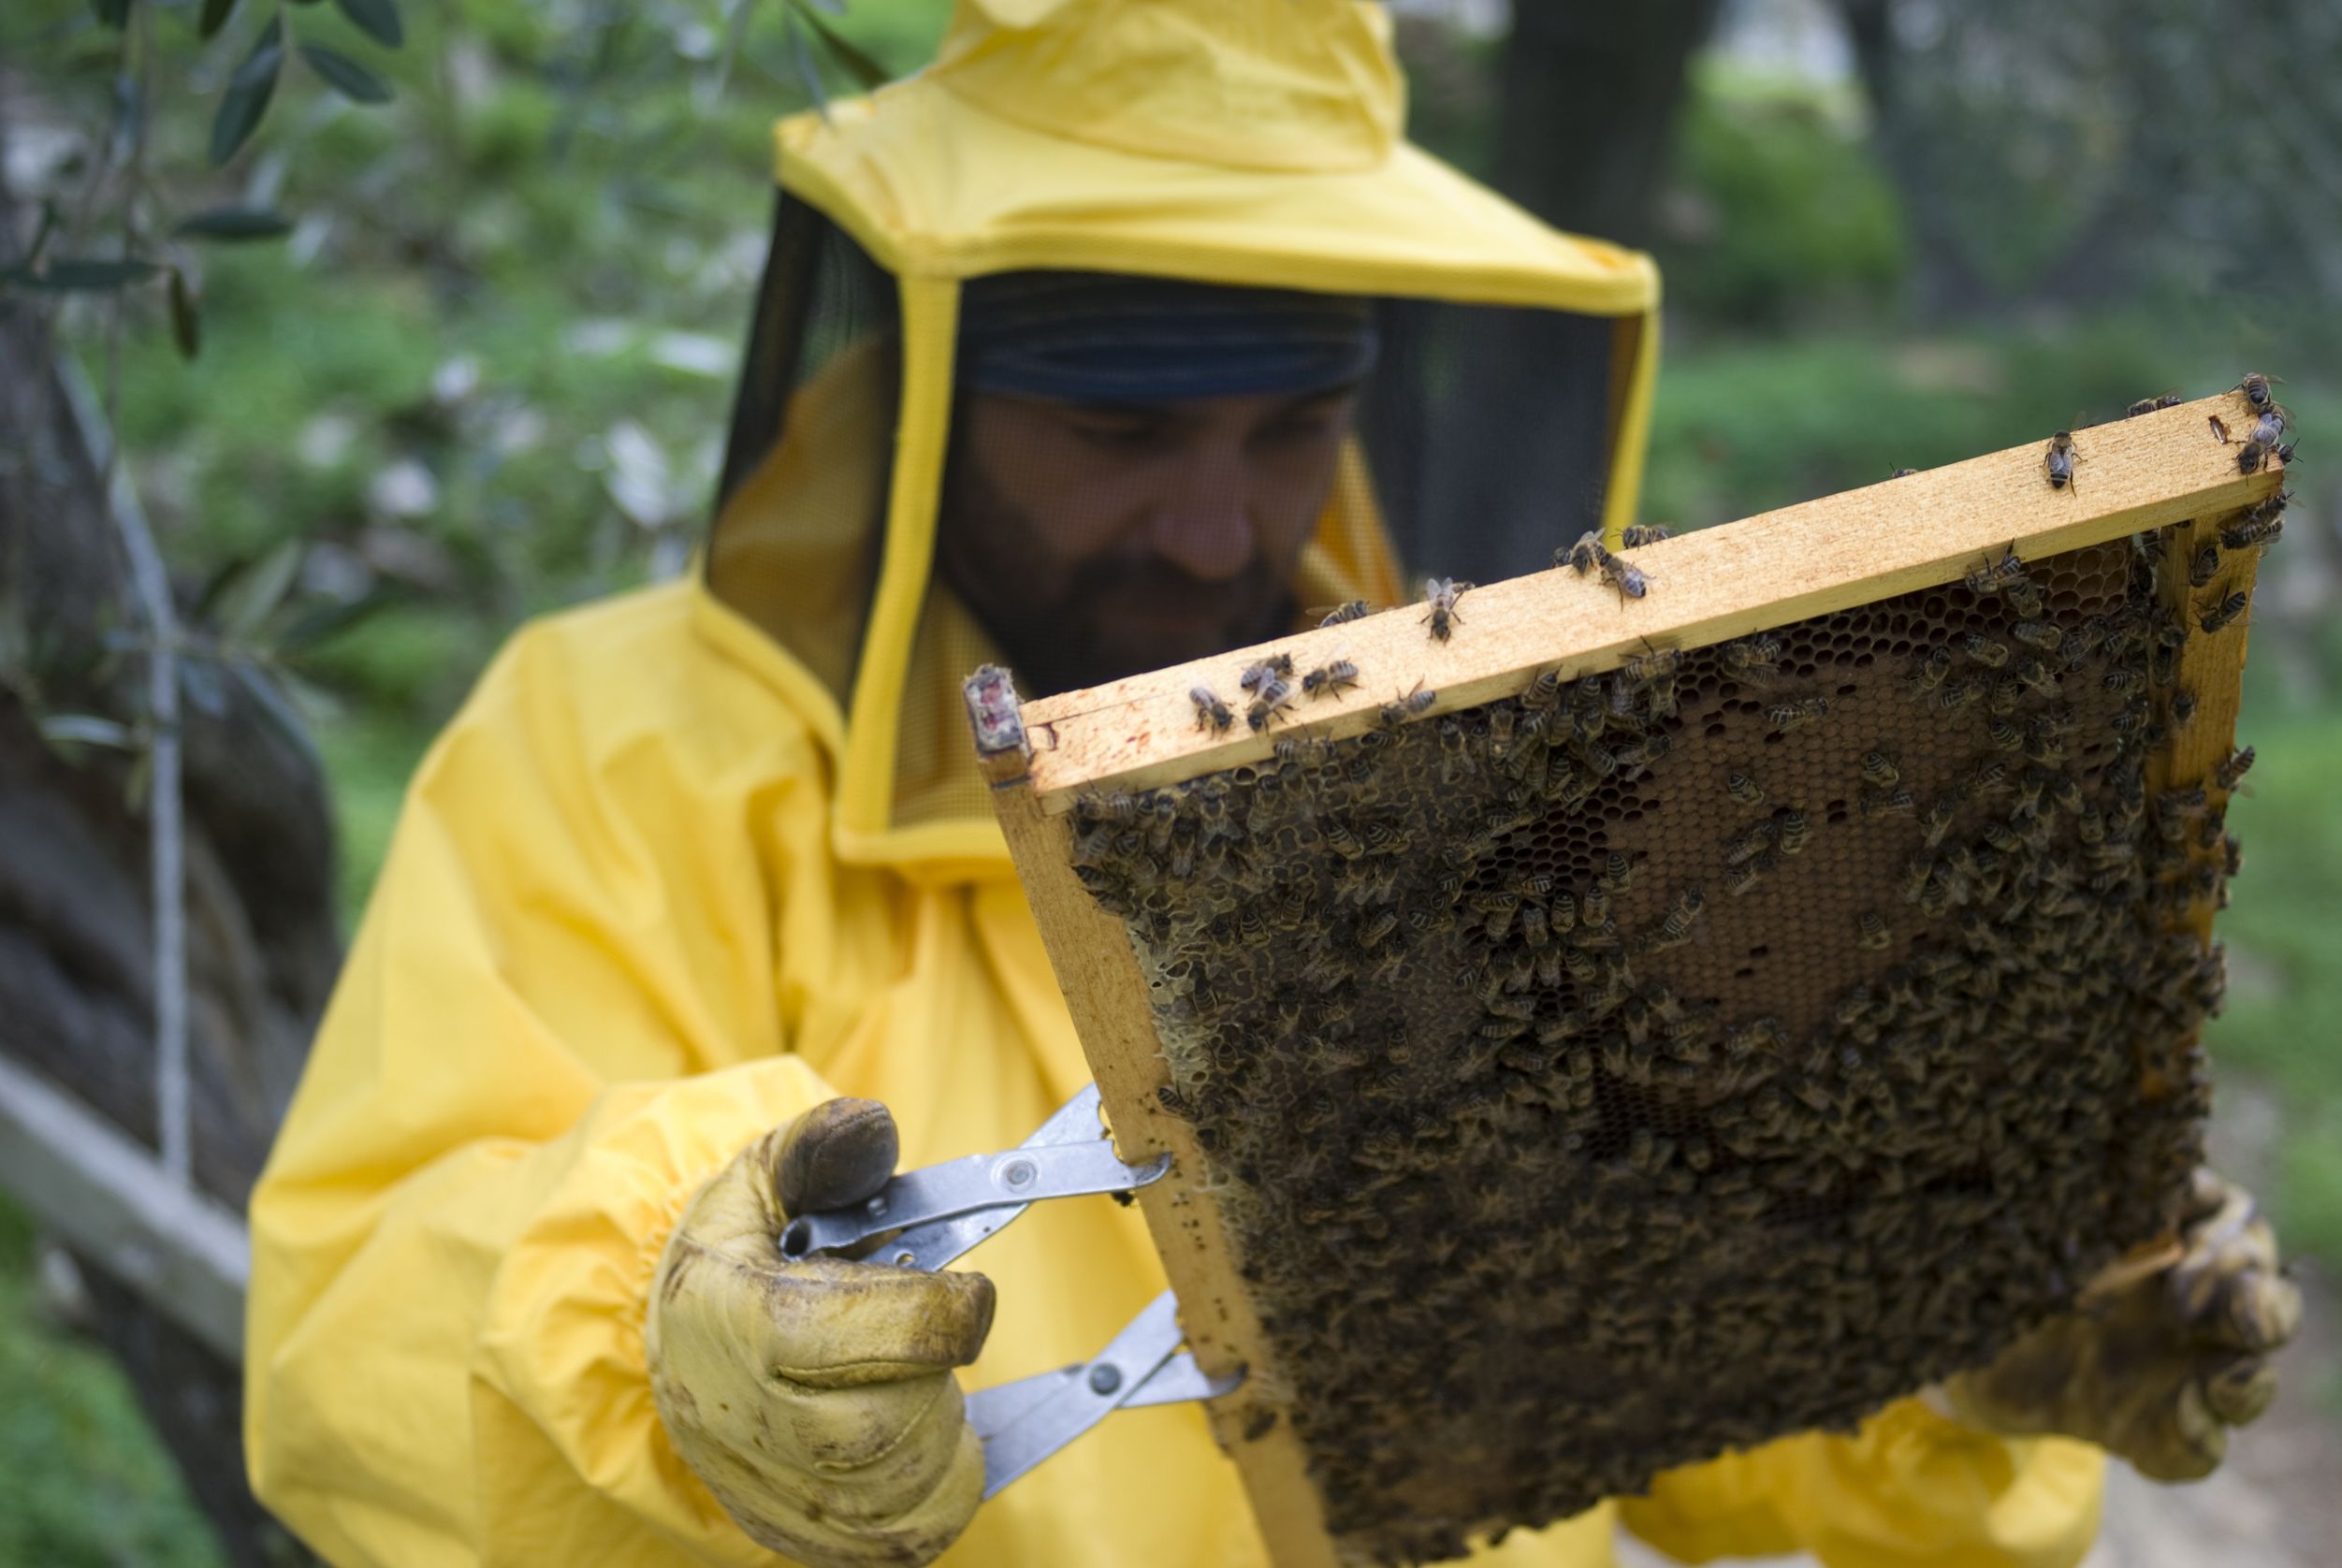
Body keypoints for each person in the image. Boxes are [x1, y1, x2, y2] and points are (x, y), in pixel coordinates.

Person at [242, 3, 2297, 1565]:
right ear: (934, 383)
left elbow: (1636, 1336)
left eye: (1289, 424)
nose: (1224, 534)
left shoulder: (1503, 775)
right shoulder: (611, 753)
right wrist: (646, 1346)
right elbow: (351, 1353)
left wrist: (1924, 1341)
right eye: (1127, 437)